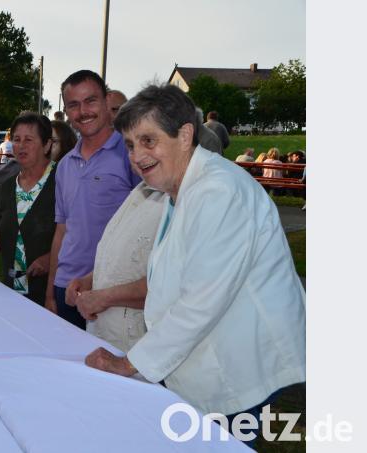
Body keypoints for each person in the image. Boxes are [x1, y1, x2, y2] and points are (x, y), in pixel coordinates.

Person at [86, 85, 305, 446]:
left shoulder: (219, 191)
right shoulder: (180, 189)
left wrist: (129, 364)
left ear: (185, 135)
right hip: (213, 359)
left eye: (148, 141)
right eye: (130, 145)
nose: (137, 155)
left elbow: (201, 301)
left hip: (241, 369)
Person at [45, 70, 141, 329]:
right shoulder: (64, 165)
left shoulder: (131, 156)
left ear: (106, 100)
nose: (83, 111)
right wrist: (50, 292)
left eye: (91, 101)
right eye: (74, 105)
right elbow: (62, 231)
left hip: (111, 290)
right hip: (66, 287)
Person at [65, 178, 165, 352]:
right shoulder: (142, 188)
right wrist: (90, 279)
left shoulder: (183, 200)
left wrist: (104, 298)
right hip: (106, 338)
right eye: (131, 149)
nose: (137, 156)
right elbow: (124, 258)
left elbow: (169, 286)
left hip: (140, 351)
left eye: (148, 147)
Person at [0, 112, 56, 306]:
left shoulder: (63, 182)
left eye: (29, 139)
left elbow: (80, 235)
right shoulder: (7, 186)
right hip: (9, 293)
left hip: (51, 298)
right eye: (16, 139)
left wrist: (52, 259)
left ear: (47, 145)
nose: (21, 145)